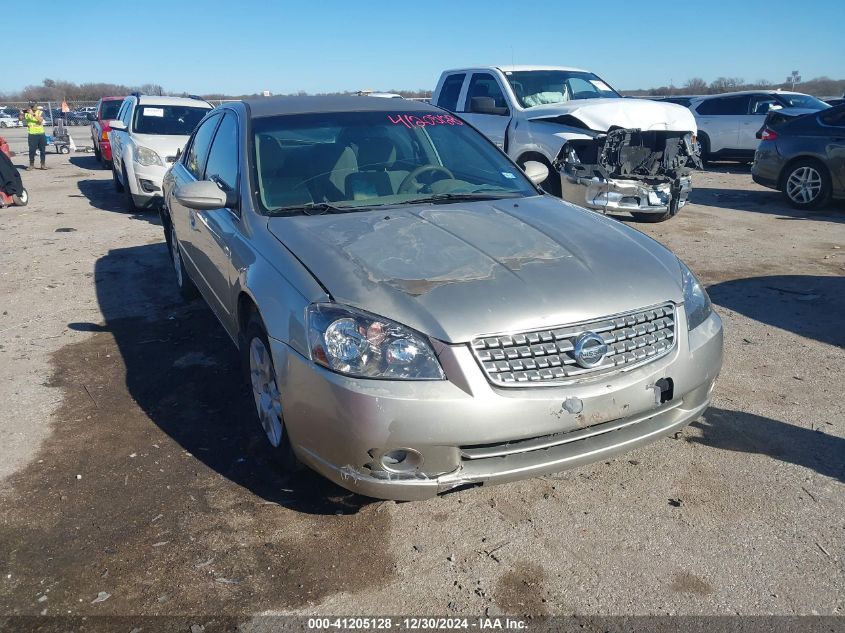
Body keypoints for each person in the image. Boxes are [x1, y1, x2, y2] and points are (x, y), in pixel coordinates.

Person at [19, 102, 47, 170]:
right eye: (30, 106)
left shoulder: (40, 112)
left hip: (41, 134)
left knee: (42, 150)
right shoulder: (27, 113)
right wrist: (21, 114)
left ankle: (42, 164)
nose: (32, 107)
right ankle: (31, 165)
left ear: (36, 106)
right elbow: (20, 119)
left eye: (33, 106)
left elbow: (40, 120)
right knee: (32, 150)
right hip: (32, 134)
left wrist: (33, 114)